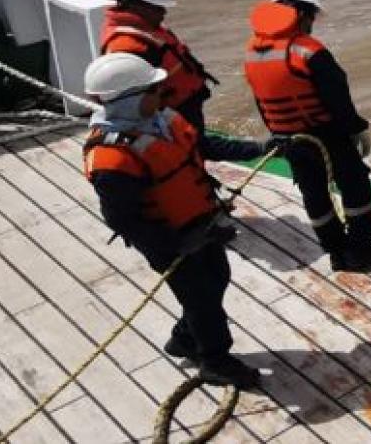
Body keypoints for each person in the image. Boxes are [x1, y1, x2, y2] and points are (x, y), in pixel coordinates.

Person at [82, 52, 266, 388]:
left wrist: (260, 149)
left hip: (200, 222)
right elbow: (122, 220)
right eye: (154, 91)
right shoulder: (110, 158)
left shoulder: (161, 119)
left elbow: (204, 144)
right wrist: (177, 243)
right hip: (168, 237)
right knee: (201, 297)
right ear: (131, 99)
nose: (162, 95)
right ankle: (215, 360)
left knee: (216, 278)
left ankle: (184, 338)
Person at [241, 0, 371, 271]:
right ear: (300, 14)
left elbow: (262, 99)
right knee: (355, 185)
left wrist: (278, 134)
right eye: (311, 16)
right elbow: (338, 98)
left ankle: (335, 251)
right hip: (326, 135)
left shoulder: (253, 51)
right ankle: (360, 248)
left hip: (289, 138)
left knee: (313, 193)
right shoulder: (309, 51)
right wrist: (357, 129)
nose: (312, 24)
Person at [100, 0, 218, 132]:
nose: (163, 12)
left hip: (184, 107)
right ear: (136, 6)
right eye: (157, 8)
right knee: (190, 151)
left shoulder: (147, 28)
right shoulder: (127, 47)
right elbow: (133, 104)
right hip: (171, 118)